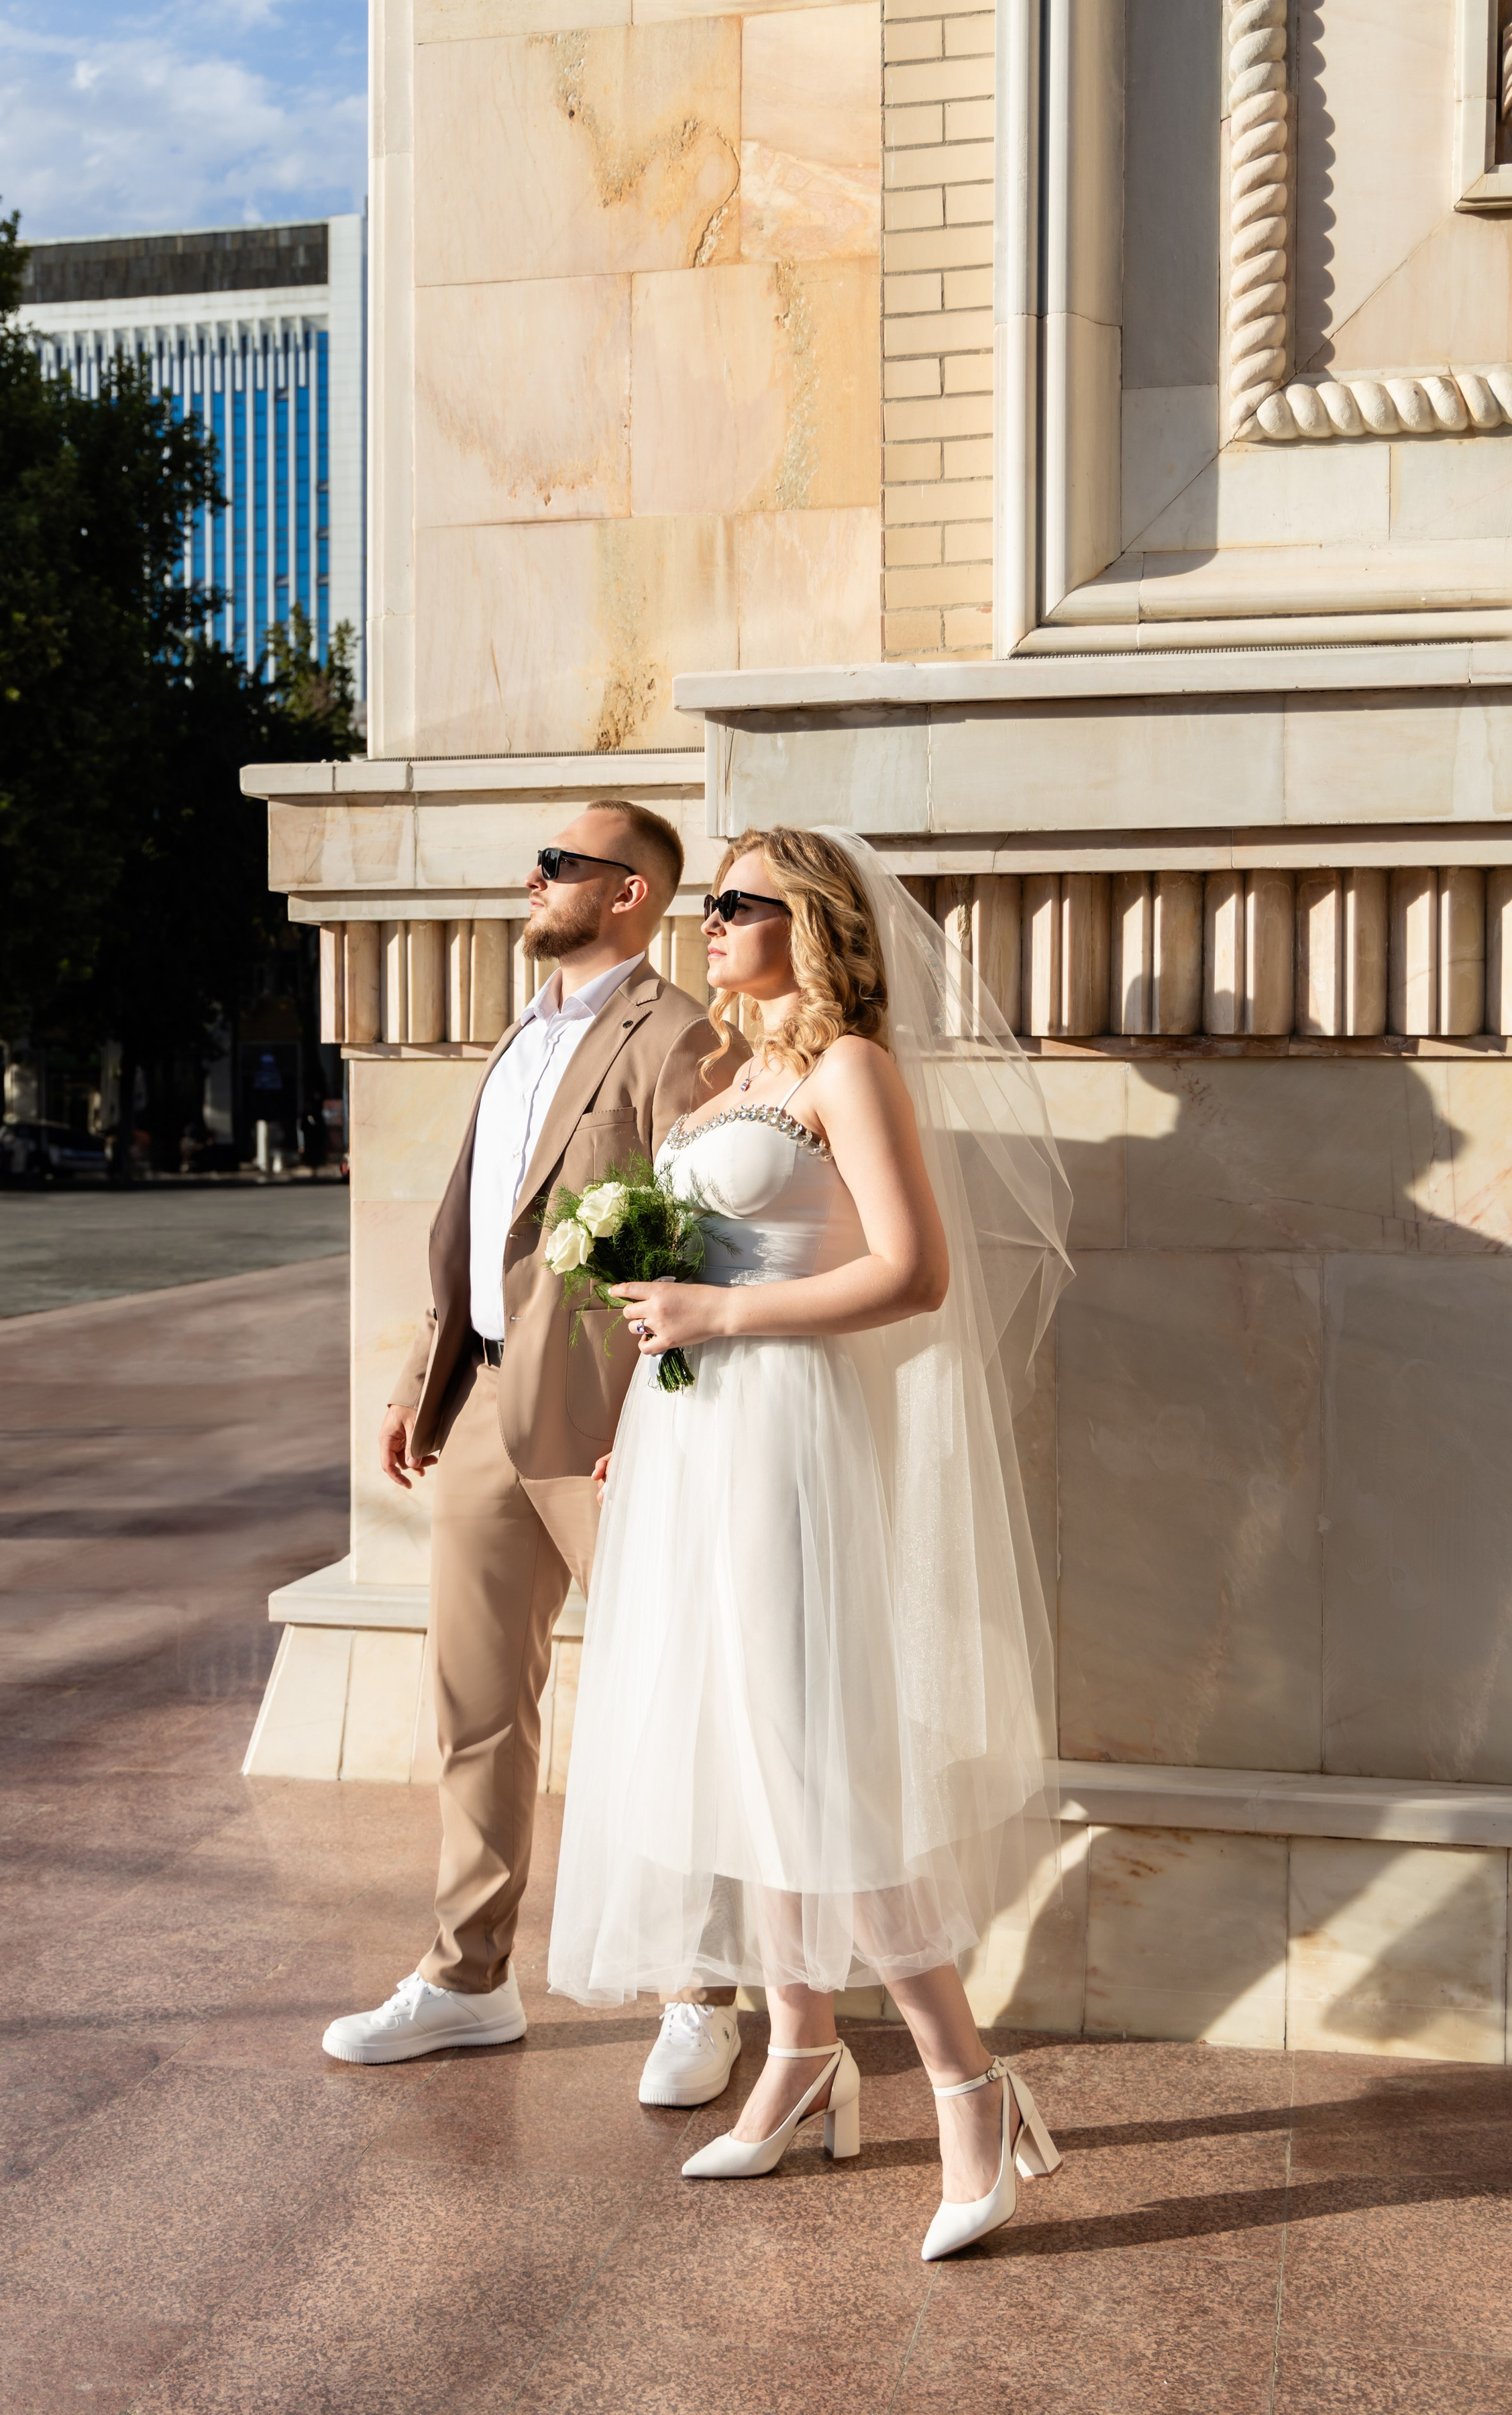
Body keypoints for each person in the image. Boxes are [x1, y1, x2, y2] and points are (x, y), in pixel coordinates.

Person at [548, 825, 1074, 2259]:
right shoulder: (737, 1072)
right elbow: (709, 1261)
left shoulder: (849, 1070)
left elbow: (912, 1273)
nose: (704, 921)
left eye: (734, 902)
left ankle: (969, 2093)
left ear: (811, 924)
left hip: (782, 1437)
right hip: (692, 1436)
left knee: (807, 1756)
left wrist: (716, 1319)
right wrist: (648, 1398)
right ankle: (795, 2054)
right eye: (708, 899)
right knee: (734, 1750)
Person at [321, 801, 753, 2106]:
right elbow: (483, 1228)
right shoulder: (526, 1032)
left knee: (670, 1705)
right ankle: (467, 1980)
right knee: (472, 1705)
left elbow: (708, 1236)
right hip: (483, 1413)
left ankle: (700, 1991)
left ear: (628, 894)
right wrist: (421, 1380)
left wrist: (657, 1413)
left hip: (612, 1429)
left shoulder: (676, 1036)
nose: (533, 879)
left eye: (559, 866)